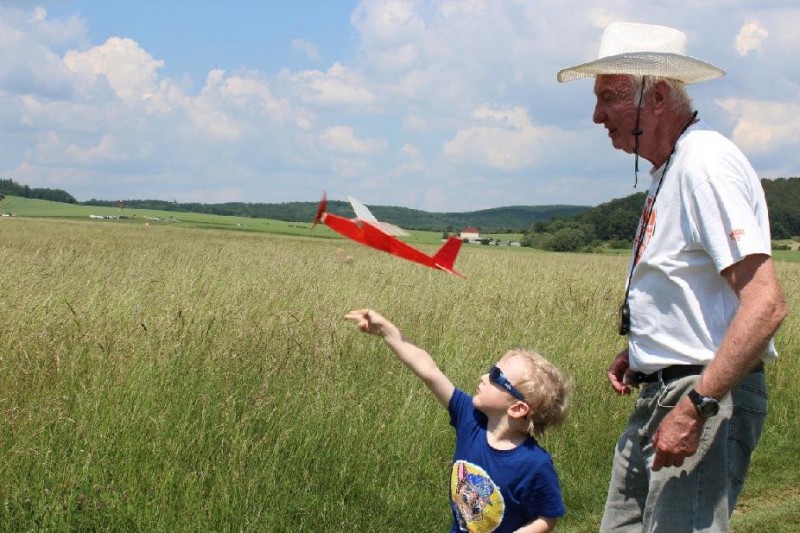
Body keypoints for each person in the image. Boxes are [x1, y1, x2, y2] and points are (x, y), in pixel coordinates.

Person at [557, 22, 788, 531]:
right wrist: (645, 348)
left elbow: (766, 302)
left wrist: (697, 407)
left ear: (657, 95)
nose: (597, 116)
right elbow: (691, 286)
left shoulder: (705, 164)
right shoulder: (674, 168)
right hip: (664, 391)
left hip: (699, 397)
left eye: (609, 98)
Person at [345, 309, 569, 533]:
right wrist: (386, 330)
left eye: (496, 376)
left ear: (518, 408)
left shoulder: (534, 465)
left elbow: (547, 517)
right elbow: (429, 370)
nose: (484, 376)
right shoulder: (470, 419)